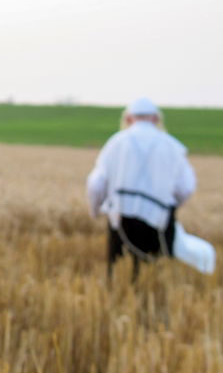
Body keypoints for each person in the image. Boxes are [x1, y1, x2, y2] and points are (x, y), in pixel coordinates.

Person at [85, 97, 198, 280]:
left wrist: (95, 210)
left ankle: (119, 297)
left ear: (129, 119)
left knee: (118, 270)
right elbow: (185, 187)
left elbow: (96, 183)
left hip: (121, 218)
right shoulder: (171, 145)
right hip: (160, 220)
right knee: (155, 271)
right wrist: (169, 207)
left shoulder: (116, 143)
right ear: (155, 119)